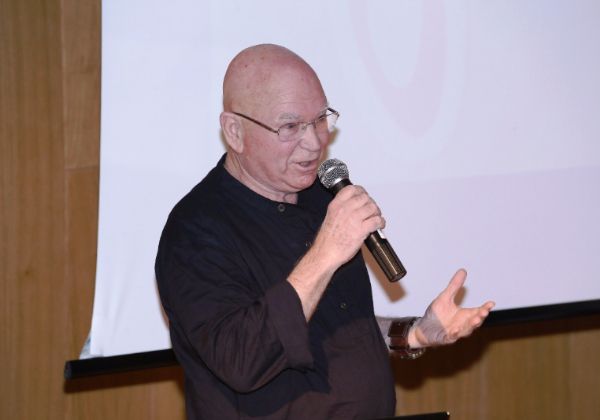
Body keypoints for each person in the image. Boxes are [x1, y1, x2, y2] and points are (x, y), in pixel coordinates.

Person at [155, 44, 495, 420]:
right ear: (235, 131)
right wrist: (326, 252)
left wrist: (414, 333)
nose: (316, 142)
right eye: (290, 127)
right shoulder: (194, 232)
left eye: (320, 119)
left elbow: (333, 330)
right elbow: (242, 359)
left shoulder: (322, 196)